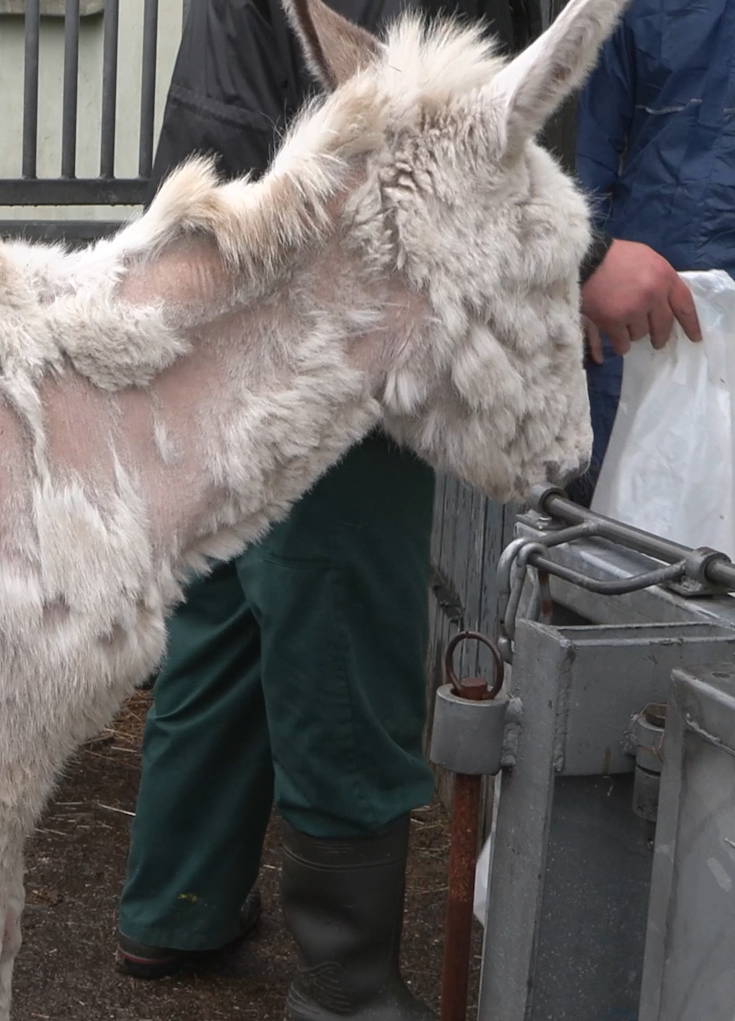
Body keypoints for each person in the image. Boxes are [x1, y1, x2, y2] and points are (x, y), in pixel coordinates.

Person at [114, 0, 527, 1018]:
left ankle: (176, 903)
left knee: (224, 616)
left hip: (218, 294)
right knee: (339, 631)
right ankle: (345, 980)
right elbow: (426, 135)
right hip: (330, 318)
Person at [564, 0, 729, 506]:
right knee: (617, 513)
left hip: (657, 304)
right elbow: (585, 151)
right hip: (640, 315)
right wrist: (577, 273)